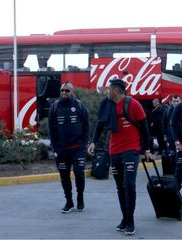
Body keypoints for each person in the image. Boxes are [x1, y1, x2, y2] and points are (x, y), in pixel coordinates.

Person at [87, 79, 152, 236]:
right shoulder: (107, 104)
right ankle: (125, 218)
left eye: (109, 88)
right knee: (120, 187)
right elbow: (100, 125)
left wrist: (147, 149)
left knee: (129, 184)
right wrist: (93, 143)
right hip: (114, 150)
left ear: (115, 90)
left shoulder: (133, 105)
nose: (107, 91)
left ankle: (130, 221)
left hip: (131, 149)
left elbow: (144, 128)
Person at [48, 82, 90, 213]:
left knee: (79, 173)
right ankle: (69, 202)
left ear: (72, 92)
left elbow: (87, 124)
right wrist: (55, 147)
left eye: (67, 91)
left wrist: (84, 143)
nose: (64, 93)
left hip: (78, 149)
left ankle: (80, 199)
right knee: (64, 176)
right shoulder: (55, 107)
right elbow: (51, 129)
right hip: (61, 150)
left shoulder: (78, 105)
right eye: (62, 91)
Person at [163, 95, 181, 168]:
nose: (176, 103)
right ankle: (173, 168)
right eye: (174, 101)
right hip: (170, 135)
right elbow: (164, 123)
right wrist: (165, 134)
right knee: (172, 152)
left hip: (180, 135)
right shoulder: (167, 110)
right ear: (171, 102)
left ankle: (178, 169)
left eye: (177, 101)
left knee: (180, 153)